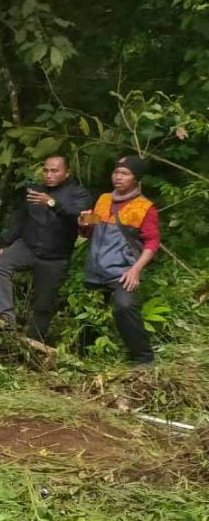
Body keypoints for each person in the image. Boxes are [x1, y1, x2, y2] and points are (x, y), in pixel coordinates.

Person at [0, 155, 90, 341]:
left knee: (43, 305)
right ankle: (6, 318)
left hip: (55, 257)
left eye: (54, 171)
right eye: (46, 170)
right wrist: (5, 245)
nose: (49, 174)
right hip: (27, 247)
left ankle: (32, 346)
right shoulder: (34, 191)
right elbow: (19, 220)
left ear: (66, 173)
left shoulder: (78, 194)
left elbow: (80, 218)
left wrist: (52, 203)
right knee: (1, 264)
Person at [79, 156, 160, 365]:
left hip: (122, 271)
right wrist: (83, 222)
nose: (118, 177)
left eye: (125, 173)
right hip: (95, 269)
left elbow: (152, 242)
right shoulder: (104, 199)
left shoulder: (145, 207)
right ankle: (87, 358)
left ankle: (143, 359)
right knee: (88, 314)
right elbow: (91, 229)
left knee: (124, 307)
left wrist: (136, 269)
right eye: (116, 172)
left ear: (135, 178)